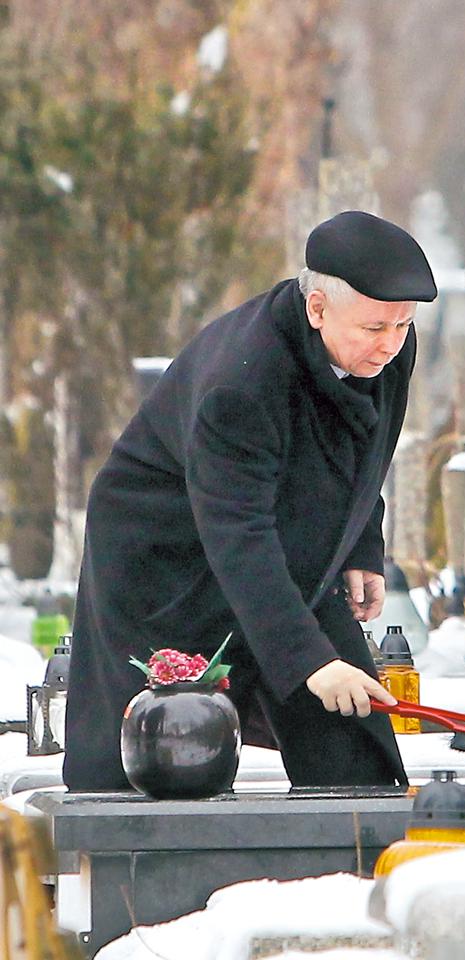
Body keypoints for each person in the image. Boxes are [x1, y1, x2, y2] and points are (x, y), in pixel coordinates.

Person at [63, 210, 437, 791]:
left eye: (403, 324)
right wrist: (311, 661)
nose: (390, 344)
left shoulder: (384, 347)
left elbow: (368, 445)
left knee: (354, 744)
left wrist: (361, 543)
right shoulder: (242, 383)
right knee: (169, 756)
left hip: (278, 542)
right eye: (374, 328)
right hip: (169, 562)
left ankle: (357, 844)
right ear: (317, 309)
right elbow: (237, 536)